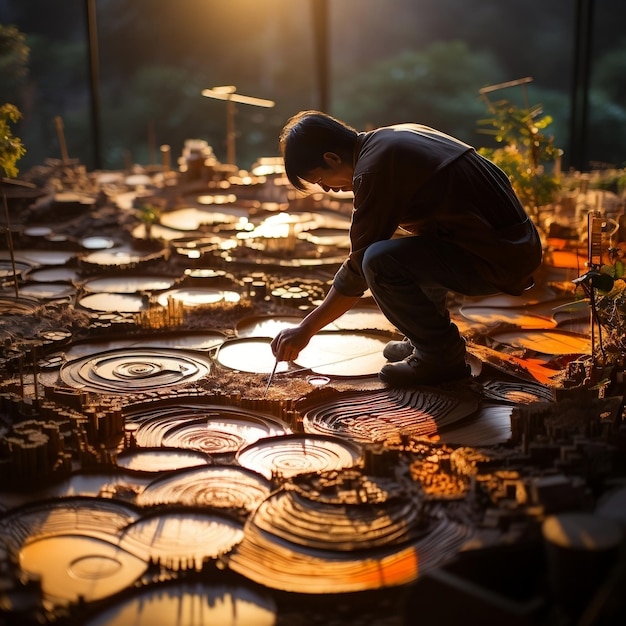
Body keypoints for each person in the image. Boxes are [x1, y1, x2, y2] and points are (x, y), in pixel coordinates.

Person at [270, 110, 543, 387]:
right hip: (514, 245)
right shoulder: (393, 137)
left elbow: (357, 268)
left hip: (499, 258)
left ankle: (440, 357)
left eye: (320, 181)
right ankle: (426, 341)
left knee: (377, 262)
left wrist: (306, 329)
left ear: (332, 158)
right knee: (406, 251)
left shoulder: (375, 167)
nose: (328, 190)